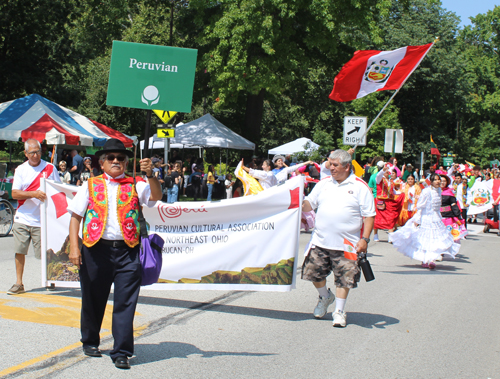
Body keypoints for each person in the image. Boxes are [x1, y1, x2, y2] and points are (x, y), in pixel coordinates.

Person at [68, 138, 162, 369]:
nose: (116, 161)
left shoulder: (136, 184)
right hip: (95, 250)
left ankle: (121, 351)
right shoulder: (90, 185)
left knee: (125, 302)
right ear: (102, 162)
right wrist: (73, 247)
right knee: (93, 298)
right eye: (111, 158)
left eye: (121, 158)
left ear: (127, 162)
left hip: (128, 251)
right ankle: (90, 340)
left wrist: (151, 175)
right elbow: (75, 217)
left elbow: (156, 196)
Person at [301, 149, 375, 327]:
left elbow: (370, 215)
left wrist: (364, 239)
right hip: (320, 240)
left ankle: (339, 311)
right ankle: (325, 297)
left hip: (347, 243)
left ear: (347, 166)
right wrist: (295, 199)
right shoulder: (324, 183)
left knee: (345, 277)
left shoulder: (359, 186)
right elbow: (308, 205)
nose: (331, 168)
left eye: (335, 165)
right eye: (330, 164)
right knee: (312, 272)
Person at [8, 139, 61, 294]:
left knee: (45, 253)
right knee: (20, 251)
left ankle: (50, 278)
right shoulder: (21, 170)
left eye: (37, 151)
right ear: (26, 153)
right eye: (32, 152)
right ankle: (19, 283)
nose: (35, 155)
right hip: (23, 217)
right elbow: (15, 193)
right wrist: (34, 194)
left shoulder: (50, 168)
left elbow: (58, 191)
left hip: (42, 219)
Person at [390, 173, 460, 269]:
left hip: (436, 218)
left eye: (438, 179)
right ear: (431, 182)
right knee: (426, 239)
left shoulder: (439, 190)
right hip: (426, 218)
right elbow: (420, 206)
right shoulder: (426, 191)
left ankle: (431, 259)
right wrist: (417, 219)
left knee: (435, 239)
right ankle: (425, 260)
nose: (438, 181)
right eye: (435, 180)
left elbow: (437, 207)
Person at [373, 165, 404, 242]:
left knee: (391, 218)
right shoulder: (379, 179)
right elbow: (378, 175)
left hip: (389, 201)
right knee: (377, 219)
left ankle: (390, 236)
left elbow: (393, 191)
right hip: (381, 201)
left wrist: (401, 193)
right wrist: (382, 170)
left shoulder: (391, 181)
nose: (387, 172)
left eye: (388, 171)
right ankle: (375, 234)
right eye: (385, 171)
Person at [440, 175, 468, 242]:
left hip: (447, 217)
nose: (442, 183)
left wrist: (458, 216)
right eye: (441, 181)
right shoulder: (433, 192)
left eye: (444, 181)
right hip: (436, 217)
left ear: (447, 182)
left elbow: (454, 205)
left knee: (447, 237)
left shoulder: (449, 193)